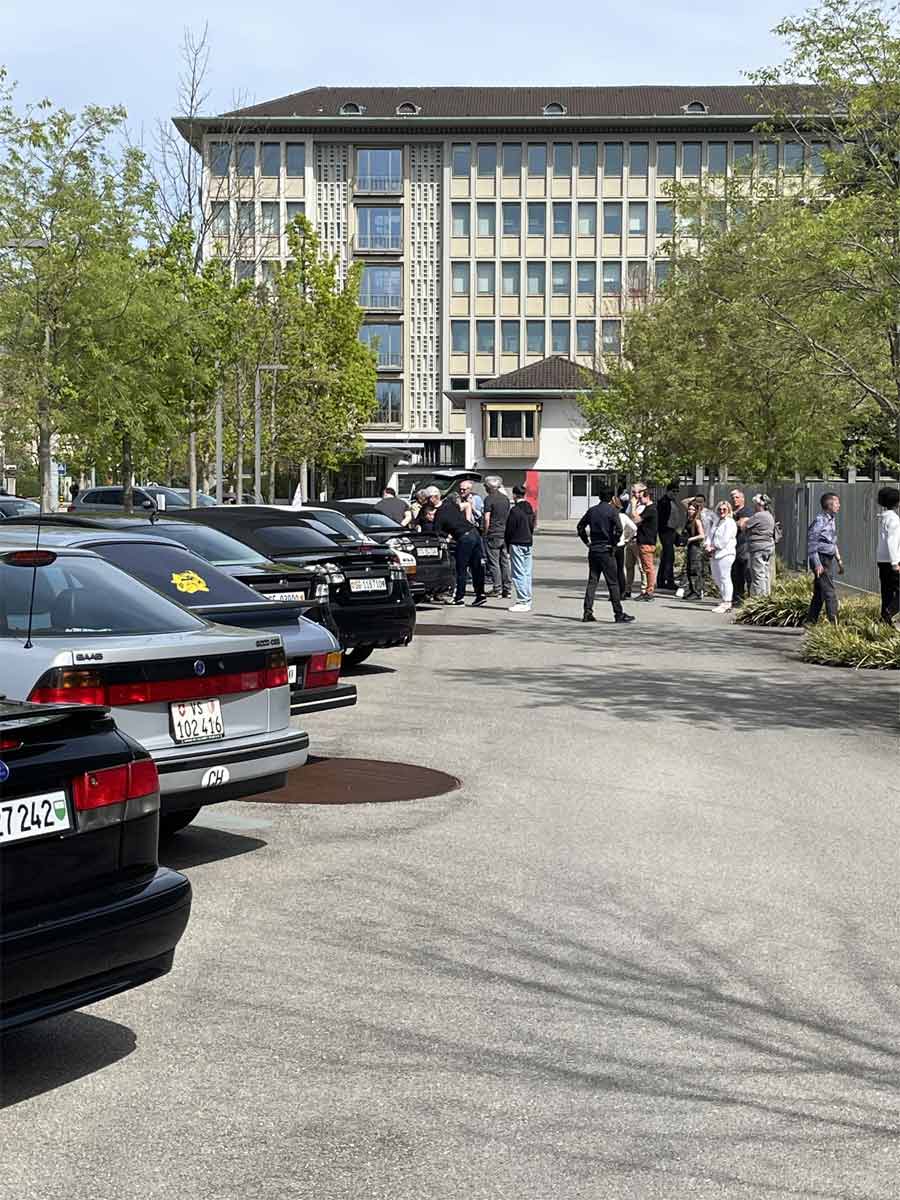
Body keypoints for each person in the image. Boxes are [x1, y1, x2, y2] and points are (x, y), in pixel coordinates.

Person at [577, 486, 636, 624]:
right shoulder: (612, 511)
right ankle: (618, 613)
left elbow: (580, 527)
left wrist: (587, 542)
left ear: (599, 497)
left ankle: (587, 611)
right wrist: (614, 544)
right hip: (607, 549)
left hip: (594, 548)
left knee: (592, 581)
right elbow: (619, 529)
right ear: (611, 498)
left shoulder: (592, 511)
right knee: (613, 582)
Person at [433, 488, 487, 606]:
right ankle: (480, 594)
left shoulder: (440, 512)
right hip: (474, 533)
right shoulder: (454, 507)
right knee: (476, 566)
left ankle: (459, 598)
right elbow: (463, 507)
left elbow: (436, 531)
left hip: (464, 537)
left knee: (461, 568)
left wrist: (447, 536)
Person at [805, 492, 843, 625]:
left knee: (820, 591)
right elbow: (812, 542)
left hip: (828, 557)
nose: (839, 505)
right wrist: (817, 564)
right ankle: (834, 623)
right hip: (821, 559)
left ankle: (810, 621)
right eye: (837, 502)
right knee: (829, 591)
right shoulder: (820, 520)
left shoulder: (830, 519)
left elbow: (831, 542)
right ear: (829, 504)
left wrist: (839, 560)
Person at [505, 484, 535, 612]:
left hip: (516, 542)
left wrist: (507, 546)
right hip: (528, 541)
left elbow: (509, 530)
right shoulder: (529, 508)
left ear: (515, 495)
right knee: (526, 572)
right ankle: (527, 599)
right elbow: (532, 525)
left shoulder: (515, 510)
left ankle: (522, 600)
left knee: (517, 573)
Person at [741, 493, 776, 597]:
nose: (754, 506)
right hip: (768, 547)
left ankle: (758, 597)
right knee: (765, 573)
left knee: (757, 574)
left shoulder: (758, 516)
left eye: (755, 504)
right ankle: (766, 596)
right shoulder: (769, 515)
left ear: (759, 504)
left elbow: (744, 526)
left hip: (758, 548)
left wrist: (745, 521)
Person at [482, 475, 512, 598]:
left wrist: (485, 532)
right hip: (504, 533)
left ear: (488, 487)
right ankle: (507, 588)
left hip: (493, 533)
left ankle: (497, 588)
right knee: (504, 562)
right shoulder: (505, 499)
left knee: (494, 563)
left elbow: (486, 518)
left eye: (485, 485)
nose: (484, 487)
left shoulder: (489, 499)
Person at [706, 500, 737, 614]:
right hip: (715, 554)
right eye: (719, 509)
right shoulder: (717, 521)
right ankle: (724, 598)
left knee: (725, 577)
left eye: (724, 509)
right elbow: (710, 534)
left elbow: (724, 540)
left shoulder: (730, 522)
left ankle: (727, 602)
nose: (721, 511)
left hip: (726, 553)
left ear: (729, 510)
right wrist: (707, 544)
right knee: (716, 577)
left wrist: (714, 547)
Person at [876, 485, 900, 625]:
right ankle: (887, 614)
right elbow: (892, 541)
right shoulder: (894, 520)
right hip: (892, 561)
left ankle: (885, 624)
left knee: (887, 592)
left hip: (882, 559)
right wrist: (895, 563)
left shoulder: (883, 518)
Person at [631, 483, 659, 601]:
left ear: (647, 497)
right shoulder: (649, 509)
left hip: (646, 542)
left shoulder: (651, 509)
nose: (639, 499)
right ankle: (647, 591)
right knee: (646, 567)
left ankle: (649, 592)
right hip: (644, 541)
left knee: (648, 568)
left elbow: (636, 519)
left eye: (641, 497)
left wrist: (633, 506)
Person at [675, 499, 706, 599]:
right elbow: (684, 502)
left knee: (695, 569)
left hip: (696, 547)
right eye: (689, 509)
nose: (690, 511)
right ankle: (692, 590)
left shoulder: (697, 521)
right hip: (690, 546)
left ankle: (697, 592)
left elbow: (702, 535)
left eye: (692, 509)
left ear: (697, 510)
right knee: (689, 569)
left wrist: (690, 539)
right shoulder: (689, 520)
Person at [729, 489, 753, 607]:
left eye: (737, 497)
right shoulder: (731, 512)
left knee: (747, 574)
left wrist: (730, 521)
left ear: (743, 498)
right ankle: (737, 599)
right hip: (733, 547)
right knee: (735, 575)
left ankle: (750, 600)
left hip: (744, 547)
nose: (734, 499)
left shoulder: (746, 510)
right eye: (733, 497)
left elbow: (742, 524)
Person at [656, 481, 682, 591]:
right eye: (673, 491)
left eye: (677, 491)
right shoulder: (663, 502)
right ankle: (669, 580)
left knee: (666, 556)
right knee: (669, 556)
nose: (675, 493)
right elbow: (661, 518)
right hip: (665, 531)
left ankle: (661, 580)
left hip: (671, 531)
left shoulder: (672, 501)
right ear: (668, 491)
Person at [611, 493, 637, 602]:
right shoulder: (623, 516)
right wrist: (627, 538)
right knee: (620, 570)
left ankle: (614, 593)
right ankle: (622, 592)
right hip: (621, 545)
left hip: (612, 545)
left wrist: (628, 538)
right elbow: (634, 528)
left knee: (613, 571)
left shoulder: (611, 516)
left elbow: (634, 527)